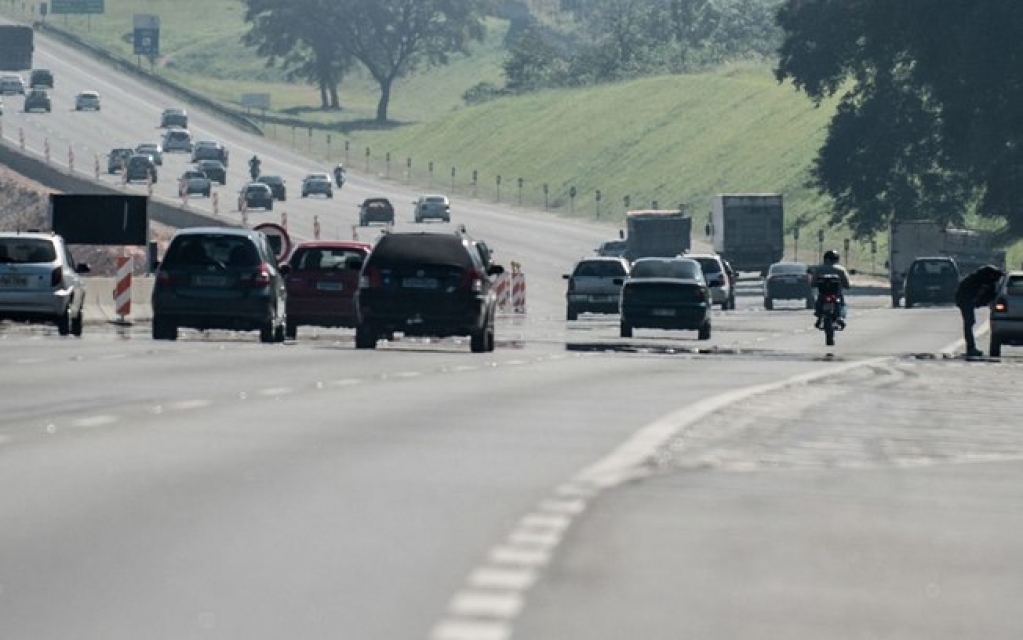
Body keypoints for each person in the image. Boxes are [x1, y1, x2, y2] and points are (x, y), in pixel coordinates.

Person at [955, 264, 1004, 357]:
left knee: (969, 323)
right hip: (965, 300)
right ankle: (970, 348)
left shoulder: (977, 279)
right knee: (969, 323)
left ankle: (971, 347)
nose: (997, 280)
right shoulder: (979, 281)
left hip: (965, 300)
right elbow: (983, 295)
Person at [812, 249, 851, 329]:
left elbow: (813, 283)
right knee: (842, 303)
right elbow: (847, 284)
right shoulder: (840, 269)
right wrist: (846, 286)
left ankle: (819, 317)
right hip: (836, 294)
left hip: (823, 294)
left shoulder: (819, 269)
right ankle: (839, 316)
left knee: (819, 300)